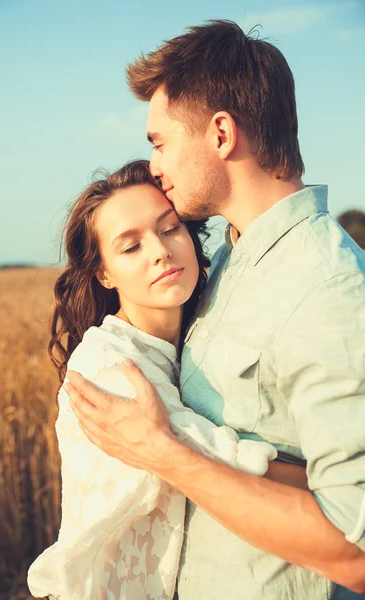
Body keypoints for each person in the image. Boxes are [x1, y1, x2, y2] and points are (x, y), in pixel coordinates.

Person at [65, 20, 365, 600]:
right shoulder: (225, 257)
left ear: (221, 134)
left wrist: (164, 452)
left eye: (160, 142)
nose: (154, 165)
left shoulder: (328, 290)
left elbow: (356, 551)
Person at [27, 160, 280, 600]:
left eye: (169, 229)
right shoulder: (111, 366)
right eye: (131, 247)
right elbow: (227, 465)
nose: (160, 251)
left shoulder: (188, 339)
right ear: (104, 273)